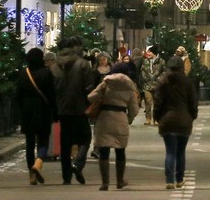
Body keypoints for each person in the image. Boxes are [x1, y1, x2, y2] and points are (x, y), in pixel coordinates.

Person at [88, 60, 140, 190]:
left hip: (104, 118)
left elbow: (91, 97)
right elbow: (134, 109)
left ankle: (105, 183)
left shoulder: (106, 84)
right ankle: (119, 181)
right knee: (120, 151)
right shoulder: (130, 88)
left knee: (104, 151)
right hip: (120, 118)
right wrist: (129, 118)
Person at [51, 36, 96, 185]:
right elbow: (89, 87)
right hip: (80, 108)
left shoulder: (54, 67)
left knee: (65, 142)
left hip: (62, 110)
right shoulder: (83, 64)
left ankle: (66, 177)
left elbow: (52, 90)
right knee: (85, 138)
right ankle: (77, 163)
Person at [155, 56, 198, 189]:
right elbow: (193, 103)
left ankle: (169, 180)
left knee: (170, 152)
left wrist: (158, 117)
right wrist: (192, 116)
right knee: (180, 152)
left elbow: (158, 102)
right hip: (183, 119)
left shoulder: (163, 81)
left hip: (167, 119)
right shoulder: (187, 82)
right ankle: (179, 179)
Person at [16, 48, 56, 185]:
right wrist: (55, 114)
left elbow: (18, 95)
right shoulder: (46, 73)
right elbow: (52, 95)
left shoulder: (23, 73)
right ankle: (38, 163)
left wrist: (21, 110)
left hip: (28, 110)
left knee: (29, 143)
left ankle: (31, 175)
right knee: (43, 141)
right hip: (43, 109)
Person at [139, 45, 164, 126]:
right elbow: (142, 71)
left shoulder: (161, 61)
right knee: (148, 102)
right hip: (147, 85)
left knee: (157, 102)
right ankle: (148, 118)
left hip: (157, 85)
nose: (148, 53)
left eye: (150, 52)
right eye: (148, 52)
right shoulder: (145, 61)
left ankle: (156, 119)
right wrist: (145, 78)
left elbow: (165, 71)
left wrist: (159, 79)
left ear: (154, 53)